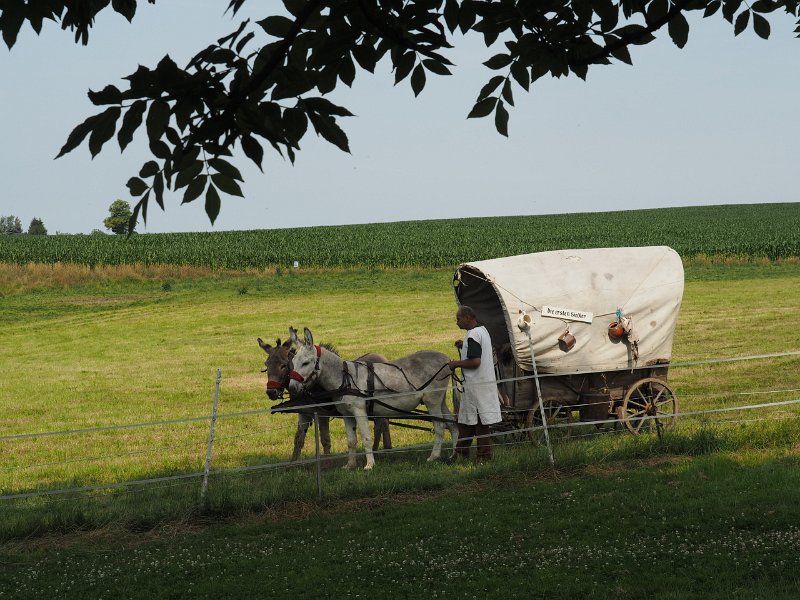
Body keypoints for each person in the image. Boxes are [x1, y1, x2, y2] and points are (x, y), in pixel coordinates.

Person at [447, 305, 502, 463]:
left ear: (467, 318)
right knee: (466, 421)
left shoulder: (473, 336)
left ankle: (484, 457)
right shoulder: (482, 331)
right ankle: (460, 453)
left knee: (479, 423)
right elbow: (477, 352)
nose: (457, 322)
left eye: (458, 319)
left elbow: (475, 361)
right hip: (481, 384)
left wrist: (455, 364)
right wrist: (463, 345)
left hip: (477, 386)